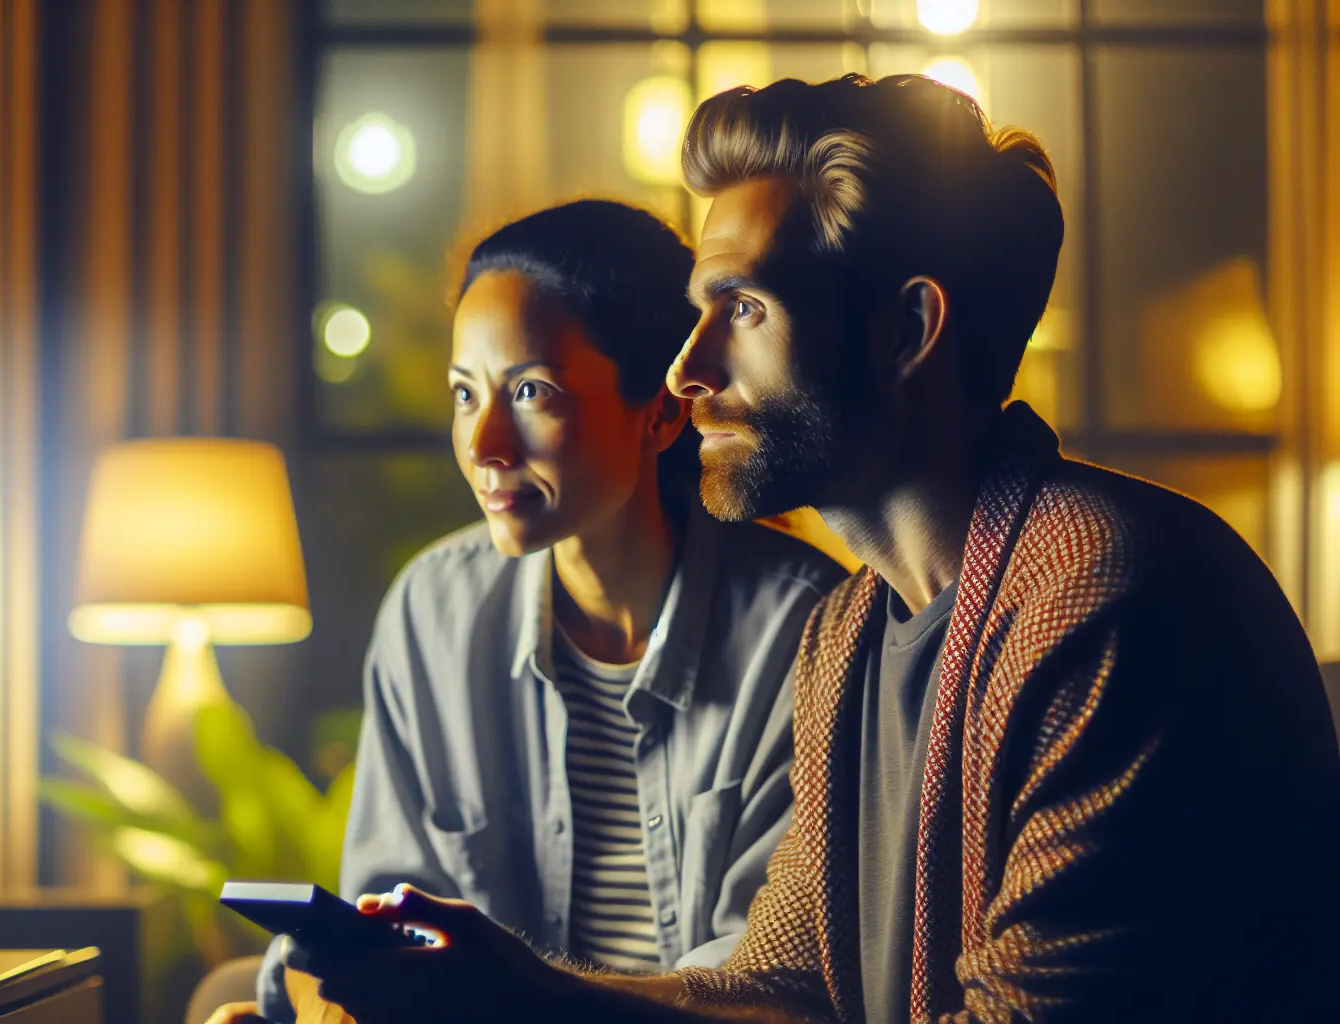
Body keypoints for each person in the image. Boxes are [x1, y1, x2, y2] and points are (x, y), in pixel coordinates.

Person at [291, 75, 1340, 1023]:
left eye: (742, 309)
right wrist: (512, 991)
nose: (690, 367)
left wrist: (523, 1002)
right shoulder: (849, 631)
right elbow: (777, 990)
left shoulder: (1105, 599)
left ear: (904, 332)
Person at [208, 200, 846, 1024]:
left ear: (660, 411)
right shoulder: (433, 611)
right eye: (464, 395)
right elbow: (386, 908)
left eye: (532, 391)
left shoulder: (805, 634)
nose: (484, 446)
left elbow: (762, 993)